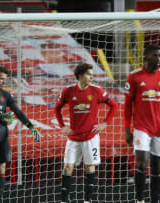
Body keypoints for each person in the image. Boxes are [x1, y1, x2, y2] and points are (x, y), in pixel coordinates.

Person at [0, 66, 41, 202]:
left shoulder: (6, 95)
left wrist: (31, 127)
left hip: (3, 136)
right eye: (1, 78)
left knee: (1, 168)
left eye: (5, 79)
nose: (4, 81)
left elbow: (18, 112)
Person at [124, 44, 160, 203]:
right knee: (141, 162)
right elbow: (127, 105)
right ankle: (139, 199)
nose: (159, 59)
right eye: (155, 55)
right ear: (146, 56)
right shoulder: (134, 76)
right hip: (141, 127)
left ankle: (154, 200)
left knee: (157, 168)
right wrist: (127, 128)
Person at [54, 63, 118, 203]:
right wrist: (62, 126)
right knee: (67, 167)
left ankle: (87, 200)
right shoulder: (68, 91)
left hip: (91, 137)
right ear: (81, 75)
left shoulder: (97, 91)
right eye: (89, 74)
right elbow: (57, 108)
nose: (91, 76)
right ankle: (64, 200)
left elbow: (114, 105)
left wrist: (104, 123)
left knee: (89, 167)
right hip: (73, 137)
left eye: (92, 74)